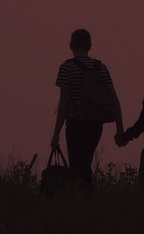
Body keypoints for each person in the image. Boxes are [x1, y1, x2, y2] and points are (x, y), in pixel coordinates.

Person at [51, 28, 124, 194]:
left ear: (71, 45)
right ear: (90, 46)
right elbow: (114, 100)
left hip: (76, 124)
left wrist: (56, 133)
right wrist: (120, 129)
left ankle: (83, 199)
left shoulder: (66, 68)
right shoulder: (101, 67)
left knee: (77, 165)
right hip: (95, 125)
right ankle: (87, 198)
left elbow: (64, 103)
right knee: (85, 162)